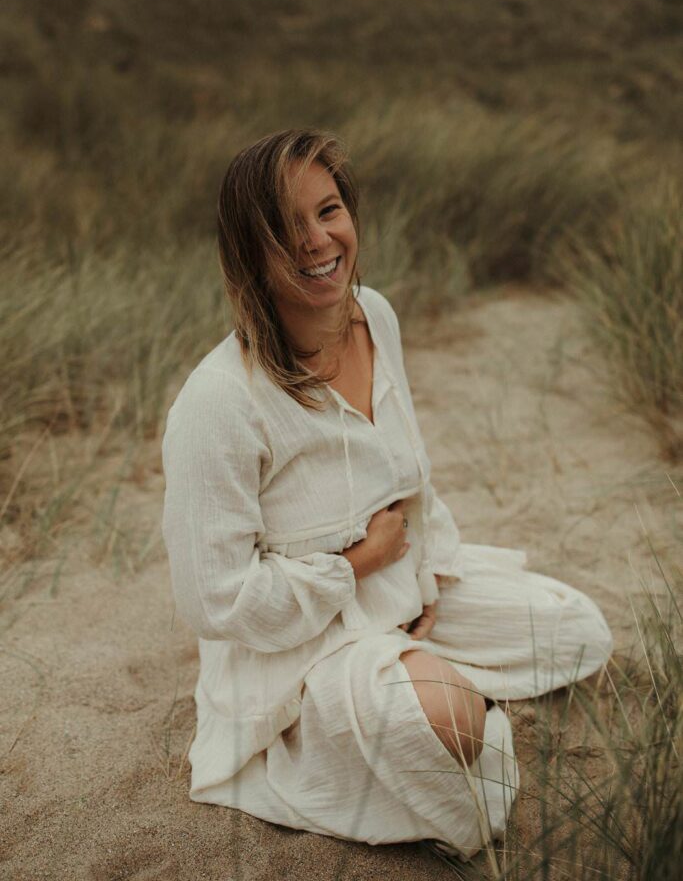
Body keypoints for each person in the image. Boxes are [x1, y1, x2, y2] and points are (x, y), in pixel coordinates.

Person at [160, 127, 613, 860]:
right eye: (285, 225)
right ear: (249, 247)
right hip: (302, 647)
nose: (316, 241)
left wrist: (424, 565)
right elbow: (212, 599)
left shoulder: (375, 313)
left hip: (400, 591)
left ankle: (414, 672)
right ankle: (392, 700)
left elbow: (411, 473)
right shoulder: (218, 400)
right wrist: (359, 565)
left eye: (328, 210)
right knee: (460, 729)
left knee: (576, 630)